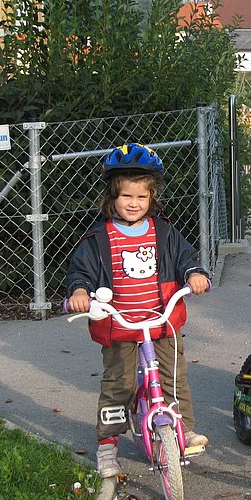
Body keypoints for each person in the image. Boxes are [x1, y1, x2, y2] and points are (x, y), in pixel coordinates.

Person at [65, 143, 211, 478]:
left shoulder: (163, 232)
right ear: (112, 197)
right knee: (120, 385)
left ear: (152, 198)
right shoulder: (99, 238)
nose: (134, 204)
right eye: (127, 197)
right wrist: (78, 292)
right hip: (120, 326)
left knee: (174, 378)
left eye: (142, 198)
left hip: (160, 323)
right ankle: (107, 444)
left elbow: (185, 258)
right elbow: (81, 272)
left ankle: (183, 430)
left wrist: (195, 274)